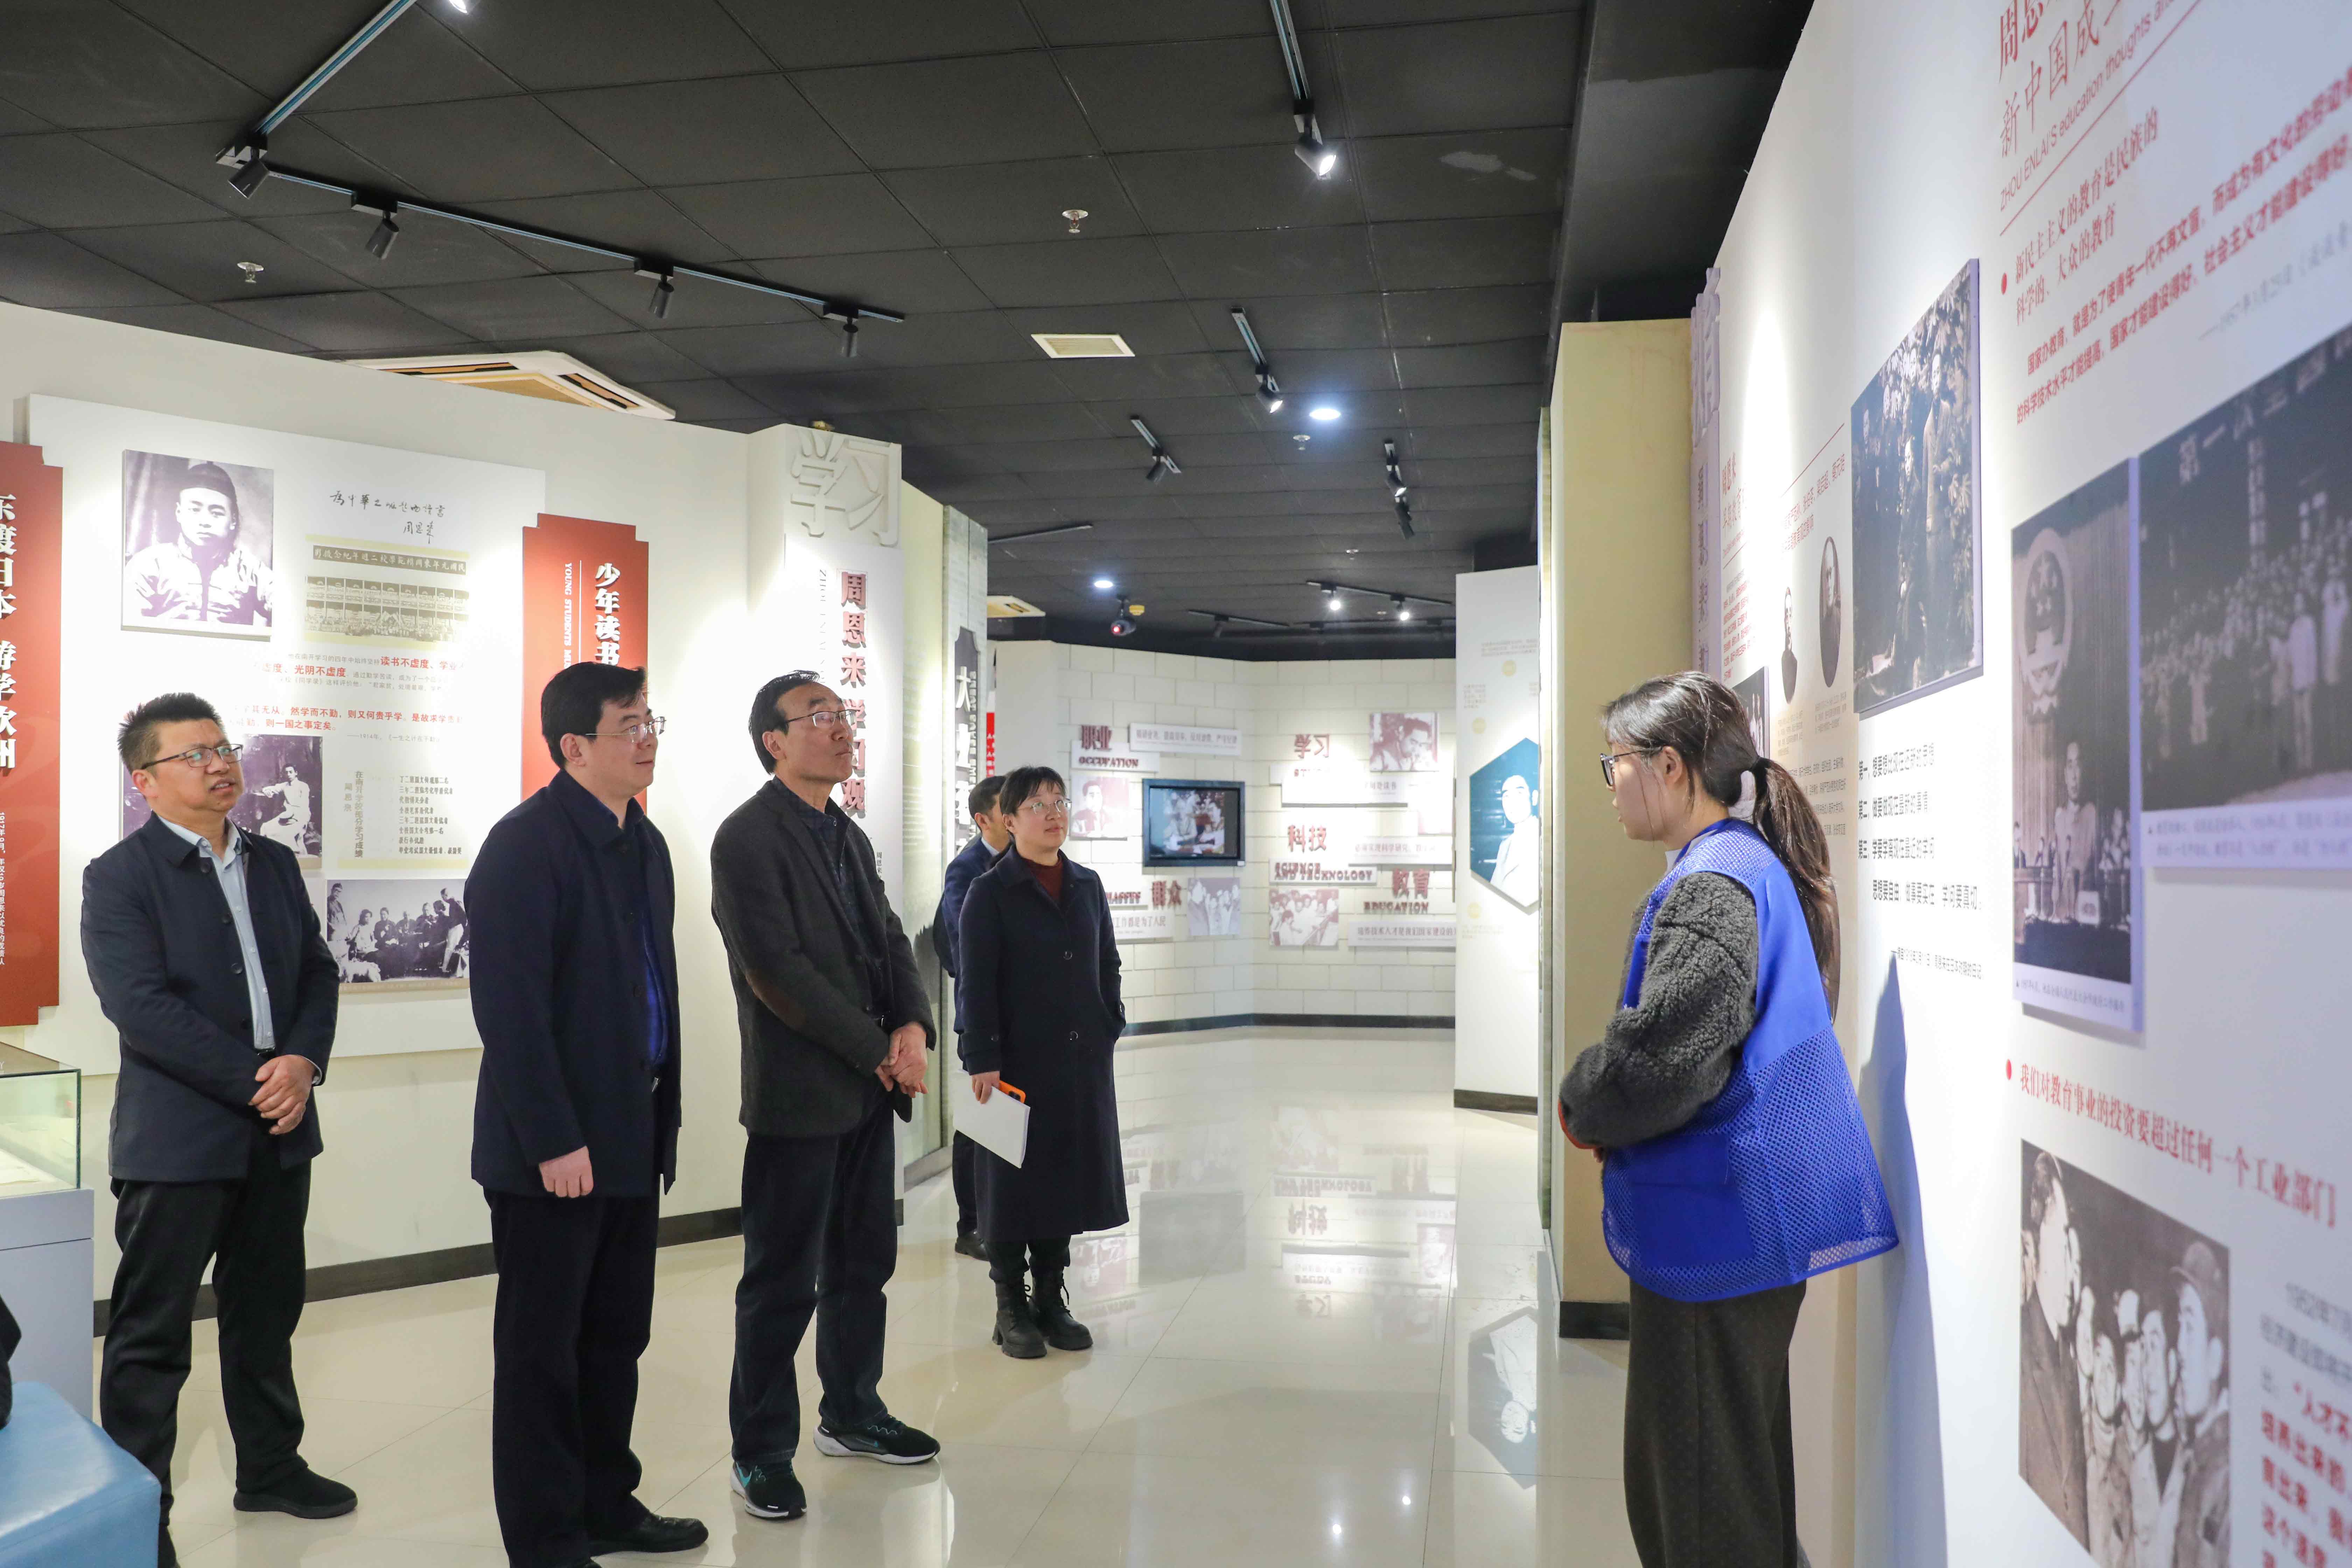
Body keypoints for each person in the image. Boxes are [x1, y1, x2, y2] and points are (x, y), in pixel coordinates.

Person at [1556, 671, 1897, 1568]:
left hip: (1715, 1232)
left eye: (1617, 763)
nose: (1612, 783)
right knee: (1736, 1475)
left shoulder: (1712, 889)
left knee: (1703, 1498)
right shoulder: (1745, 865)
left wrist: (1582, 1102)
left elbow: (1664, 1062)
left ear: (1669, 766)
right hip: (1743, 1222)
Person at [82, 693, 351, 1567]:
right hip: (180, 1138)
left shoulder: (272, 863)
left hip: (280, 1126)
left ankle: (270, 1466)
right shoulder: (119, 877)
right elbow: (141, 1008)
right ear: (146, 780)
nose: (219, 764)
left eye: (223, 747)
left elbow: (317, 972)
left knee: (267, 1311)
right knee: (152, 1333)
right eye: (194, 754)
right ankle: (137, 1510)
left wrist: (302, 1061)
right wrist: (257, 1080)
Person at [467, 663, 705, 1568]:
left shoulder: (643, 841)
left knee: (615, 1339)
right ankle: (545, 1538)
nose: (648, 739)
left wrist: (661, 1125)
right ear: (574, 746)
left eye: (651, 721)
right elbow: (511, 1012)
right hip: (555, 1153)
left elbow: (651, 990)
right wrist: (555, 1139)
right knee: (543, 1352)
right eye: (628, 725)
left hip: (632, 1136)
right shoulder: (524, 846)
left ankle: (606, 1502)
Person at [709, 672, 941, 1525]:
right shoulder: (747, 838)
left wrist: (912, 1024)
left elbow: (888, 937)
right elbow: (778, 974)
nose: (841, 729)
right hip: (800, 1096)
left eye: (844, 715)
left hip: (868, 1094)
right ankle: (761, 1451)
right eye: (820, 717)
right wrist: (879, 1051)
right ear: (773, 740)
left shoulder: (846, 833)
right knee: (781, 1279)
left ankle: (852, 1410)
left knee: (861, 1264)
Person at [957, 765, 1128, 1359]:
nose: (1053, 813)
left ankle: (1052, 1298)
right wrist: (982, 1056)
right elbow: (975, 983)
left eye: (1059, 801)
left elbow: (1107, 962)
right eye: (1037, 805)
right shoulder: (989, 892)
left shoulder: (1086, 884)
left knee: (1062, 1177)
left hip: (1079, 1060)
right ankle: (1011, 1305)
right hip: (1012, 1065)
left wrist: (1109, 1021)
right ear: (1008, 820)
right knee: (1010, 1185)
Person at [936, 775, 1011, 1260]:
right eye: (1010, 807)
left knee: (1011, 1120)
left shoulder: (1029, 861)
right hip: (984, 1016)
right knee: (980, 1120)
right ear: (984, 819)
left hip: (1024, 1019)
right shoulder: (966, 870)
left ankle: (1007, 1218)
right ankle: (972, 1226)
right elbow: (964, 945)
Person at [2022, 1151, 2090, 1544]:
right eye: (2060, 1242)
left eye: (2072, 1247)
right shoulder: (2020, 1353)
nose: (2071, 1274)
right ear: (2034, 1241)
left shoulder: (2071, 1368)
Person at [124, 462, 273, 628]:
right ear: (179, 513)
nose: (205, 522)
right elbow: (131, 624)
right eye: (195, 510)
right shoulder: (149, 564)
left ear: (233, 520)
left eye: (217, 513)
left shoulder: (249, 569)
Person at [2170, 1242, 2229, 1567]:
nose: (2180, 1347)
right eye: (2180, 1325)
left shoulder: (2228, 1475)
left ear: (2215, 1359)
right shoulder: (2199, 1459)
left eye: (2191, 1329)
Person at [1490, 772, 1541, 905]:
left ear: (1534, 798)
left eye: (1519, 793)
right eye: (1506, 796)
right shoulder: (1505, 846)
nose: (1511, 802)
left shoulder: (1544, 840)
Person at [1780, 588, 1799, 703]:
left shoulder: (1796, 662)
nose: (1788, 619)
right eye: (1787, 613)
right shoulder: (1783, 660)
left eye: (1790, 614)